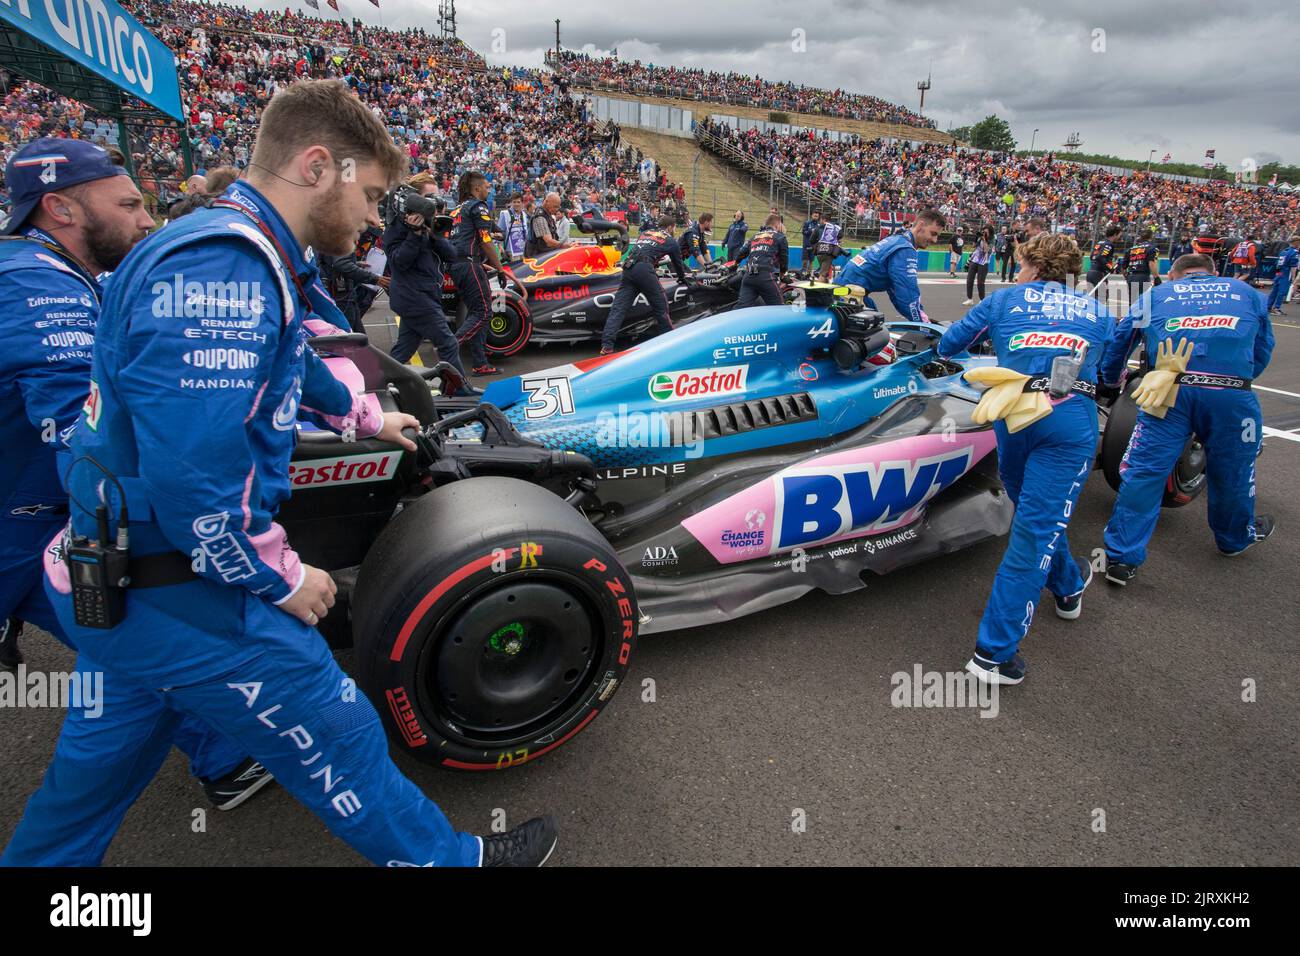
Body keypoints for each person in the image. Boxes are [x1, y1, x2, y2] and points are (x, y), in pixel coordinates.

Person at [1, 81, 556, 867]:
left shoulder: (233, 244)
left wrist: (365, 414)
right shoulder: (225, 265)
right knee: (342, 729)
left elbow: (287, 347)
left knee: (91, 779)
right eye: (371, 195)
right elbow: (195, 478)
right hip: (176, 582)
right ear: (318, 166)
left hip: (117, 573)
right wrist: (282, 576)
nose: (375, 218)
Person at [0, 136, 277, 809]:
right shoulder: (34, 282)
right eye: (127, 203)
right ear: (61, 207)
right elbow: (84, 430)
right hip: (25, 524)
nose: (147, 218)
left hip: (31, 520)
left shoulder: (53, 268)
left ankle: (225, 754)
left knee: (139, 648)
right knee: (151, 639)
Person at [937, 234, 1115, 685]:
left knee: (1034, 523)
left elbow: (949, 344)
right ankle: (1000, 648)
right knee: (1038, 526)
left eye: (1018, 263)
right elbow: (1111, 373)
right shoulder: (1096, 310)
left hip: (1015, 417)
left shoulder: (1004, 300)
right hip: (1070, 419)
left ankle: (1002, 646)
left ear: (1030, 264)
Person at [1097, 253, 1275, 586]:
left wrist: (1110, 380)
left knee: (1144, 473)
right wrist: (1236, 382)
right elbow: (1263, 348)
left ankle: (1121, 559)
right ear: (1214, 273)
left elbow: (1122, 340)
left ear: (1174, 276)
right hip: (1231, 394)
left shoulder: (1157, 294)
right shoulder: (1245, 291)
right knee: (1234, 470)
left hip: (1169, 393)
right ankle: (1233, 541)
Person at [385, 172, 466, 377]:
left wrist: (432, 234)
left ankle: (378, 384)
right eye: (429, 198)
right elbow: (399, 262)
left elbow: (451, 255)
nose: (435, 203)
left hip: (424, 295)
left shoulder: (432, 224)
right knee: (448, 344)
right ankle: (460, 391)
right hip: (415, 297)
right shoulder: (397, 227)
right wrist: (414, 234)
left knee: (403, 351)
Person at [837, 208, 945, 323]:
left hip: (843, 292)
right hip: (850, 296)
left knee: (877, 322)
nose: (935, 240)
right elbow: (907, 295)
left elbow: (897, 293)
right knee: (877, 337)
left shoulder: (897, 239)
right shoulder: (905, 249)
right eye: (933, 233)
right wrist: (925, 324)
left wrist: (920, 317)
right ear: (920, 225)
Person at [599, 214, 686, 355]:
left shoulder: (646, 233)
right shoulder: (671, 240)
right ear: (670, 227)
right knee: (661, 307)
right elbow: (678, 264)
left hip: (628, 269)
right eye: (674, 228)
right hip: (644, 269)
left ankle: (607, 346)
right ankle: (671, 344)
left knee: (618, 310)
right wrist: (682, 279)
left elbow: (644, 250)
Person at [448, 171, 507, 376]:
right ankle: (449, 348)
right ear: (476, 188)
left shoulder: (455, 210)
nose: (488, 190)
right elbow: (485, 239)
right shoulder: (477, 206)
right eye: (486, 187)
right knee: (483, 312)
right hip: (469, 264)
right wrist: (500, 269)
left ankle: (480, 363)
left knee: (477, 313)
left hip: (458, 266)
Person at [318, 226, 388, 333]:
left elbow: (332, 261)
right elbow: (341, 264)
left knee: (357, 336)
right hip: (341, 293)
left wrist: (356, 264)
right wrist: (374, 278)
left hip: (341, 291)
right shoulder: (343, 233)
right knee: (348, 336)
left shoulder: (332, 231)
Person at [733, 213, 789, 306]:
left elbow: (741, 254)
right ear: (778, 224)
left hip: (749, 277)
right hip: (766, 277)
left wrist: (735, 263)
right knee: (779, 308)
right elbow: (784, 261)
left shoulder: (755, 236)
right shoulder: (780, 237)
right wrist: (782, 275)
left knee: (741, 308)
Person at [1120, 228, 1162, 300]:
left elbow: (1123, 267)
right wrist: (1156, 277)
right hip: (1143, 277)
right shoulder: (1152, 248)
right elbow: (1152, 263)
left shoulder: (1131, 249)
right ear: (1151, 237)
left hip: (1131, 276)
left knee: (1133, 303)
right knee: (1143, 302)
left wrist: (1126, 277)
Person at [526, 192, 569, 257]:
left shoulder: (547, 215)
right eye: (555, 206)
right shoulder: (540, 217)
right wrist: (563, 245)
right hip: (536, 258)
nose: (557, 209)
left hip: (544, 255)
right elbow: (548, 242)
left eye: (558, 207)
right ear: (546, 202)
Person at [1266, 235, 1299, 315]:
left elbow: (1277, 263)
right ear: (1296, 242)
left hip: (1279, 272)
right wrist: (1293, 277)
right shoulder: (1294, 252)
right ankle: (1276, 308)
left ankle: (1268, 307)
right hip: (1286, 273)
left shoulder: (1284, 251)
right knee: (1282, 291)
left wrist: (1278, 273)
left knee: (1274, 291)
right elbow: (1293, 266)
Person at [1084, 225, 1122, 295]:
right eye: (1119, 235)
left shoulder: (1100, 243)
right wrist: (1110, 268)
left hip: (1091, 272)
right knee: (1102, 297)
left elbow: (1092, 256)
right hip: (1098, 274)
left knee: (1093, 297)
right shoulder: (1109, 244)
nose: (1120, 237)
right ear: (1114, 234)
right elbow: (1100, 257)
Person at [962, 226, 992, 305]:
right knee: (969, 280)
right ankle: (969, 299)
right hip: (975, 260)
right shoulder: (980, 238)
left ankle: (982, 300)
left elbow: (986, 250)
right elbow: (973, 246)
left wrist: (984, 239)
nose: (984, 233)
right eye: (983, 231)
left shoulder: (992, 240)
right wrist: (976, 238)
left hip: (984, 262)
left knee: (980, 282)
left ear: (990, 232)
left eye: (986, 232)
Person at [497, 194, 528, 262]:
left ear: (522, 203)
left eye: (518, 202)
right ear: (511, 203)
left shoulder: (524, 214)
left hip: (523, 250)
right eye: (514, 202)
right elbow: (498, 231)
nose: (516, 204)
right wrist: (500, 246)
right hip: (511, 251)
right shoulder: (505, 214)